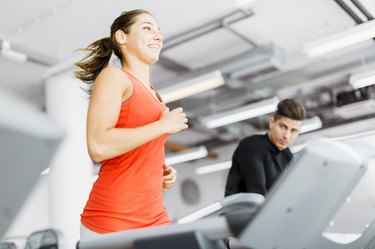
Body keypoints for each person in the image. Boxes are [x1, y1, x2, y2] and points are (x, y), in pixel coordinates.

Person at [74, 9, 188, 237]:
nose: (158, 35)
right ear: (121, 37)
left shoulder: (155, 94)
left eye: (158, 30)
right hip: (113, 219)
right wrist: (162, 126)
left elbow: (136, 147)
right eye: (147, 28)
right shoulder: (114, 77)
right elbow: (98, 147)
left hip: (154, 216)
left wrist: (158, 170)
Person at [225, 98, 306, 197]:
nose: (286, 136)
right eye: (283, 127)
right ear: (272, 123)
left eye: (293, 131)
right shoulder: (252, 146)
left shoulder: (287, 156)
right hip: (243, 211)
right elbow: (257, 192)